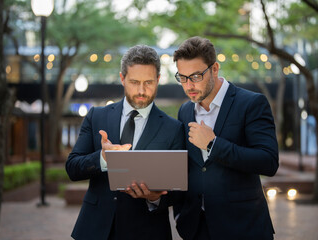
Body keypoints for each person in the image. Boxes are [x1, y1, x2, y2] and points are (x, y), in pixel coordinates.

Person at [66, 45, 185, 240]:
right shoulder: (96, 116)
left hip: (147, 231)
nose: (141, 90)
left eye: (148, 82)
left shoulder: (174, 128)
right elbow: (72, 167)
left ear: (158, 80)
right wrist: (104, 159)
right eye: (134, 82)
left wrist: (155, 198)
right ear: (122, 79)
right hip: (96, 230)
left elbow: (180, 192)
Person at [173, 36, 279, 240]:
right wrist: (179, 213)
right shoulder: (185, 111)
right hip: (196, 228)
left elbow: (268, 161)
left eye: (195, 76)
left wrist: (213, 145)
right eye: (183, 77)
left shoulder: (251, 103)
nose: (189, 85)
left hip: (243, 227)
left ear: (214, 69)